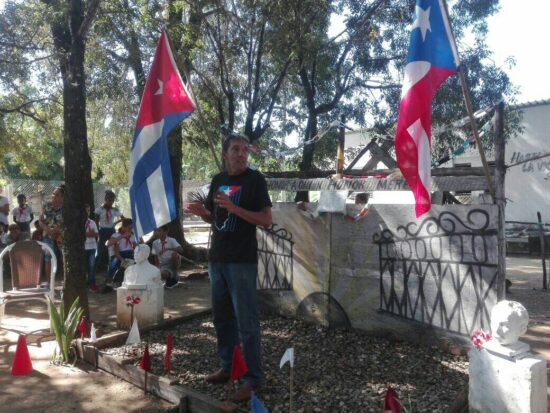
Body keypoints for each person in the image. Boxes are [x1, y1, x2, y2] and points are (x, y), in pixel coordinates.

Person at [185, 132, 272, 402]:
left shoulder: (255, 180)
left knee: (247, 322)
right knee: (222, 317)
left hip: (242, 261)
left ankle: (253, 379)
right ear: (225, 155)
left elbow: (266, 220)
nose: (241, 154)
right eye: (235, 149)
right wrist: (203, 213)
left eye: (244, 150)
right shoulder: (218, 180)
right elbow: (216, 217)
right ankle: (228, 366)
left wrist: (235, 209)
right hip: (218, 259)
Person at [39, 185, 64, 276]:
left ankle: (65, 281)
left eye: (57, 195)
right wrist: (47, 230)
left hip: (61, 236)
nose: (53, 196)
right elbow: (40, 220)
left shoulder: (66, 208)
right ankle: (48, 283)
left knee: (64, 257)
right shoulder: (46, 206)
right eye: (53, 194)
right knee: (48, 255)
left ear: (62, 197)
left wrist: (54, 232)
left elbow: (64, 223)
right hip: (47, 235)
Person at [94, 190, 122, 271]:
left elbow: (123, 218)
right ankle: (95, 269)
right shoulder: (99, 210)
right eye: (110, 200)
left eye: (113, 200)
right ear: (105, 199)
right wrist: (98, 233)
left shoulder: (114, 210)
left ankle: (111, 269)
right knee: (99, 251)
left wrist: (115, 224)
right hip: (102, 231)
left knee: (112, 251)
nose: (111, 202)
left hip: (111, 231)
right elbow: (96, 222)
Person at [105, 218, 136, 289]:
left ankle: (117, 281)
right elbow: (109, 244)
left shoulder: (132, 235)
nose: (131, 230)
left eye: (132, 228)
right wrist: (123, 236)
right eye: (129, 228)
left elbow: (135, 246)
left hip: (130, 254)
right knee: (115, 262)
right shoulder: (116, 235)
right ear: (124, 227)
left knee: (130, 261)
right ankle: (109, 282)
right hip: (119, 254)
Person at [84, 204, 99, 293]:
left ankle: (92, 283)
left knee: (91, 266)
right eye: (86, 210)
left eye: (89, 210)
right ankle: (83, 283)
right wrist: (89, 234)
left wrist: (88, 234)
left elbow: (96, 234)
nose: (87, 212)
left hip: (92, 247)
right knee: (83, 266)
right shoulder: (78, 222)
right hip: (83, 247)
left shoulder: (92, 222)